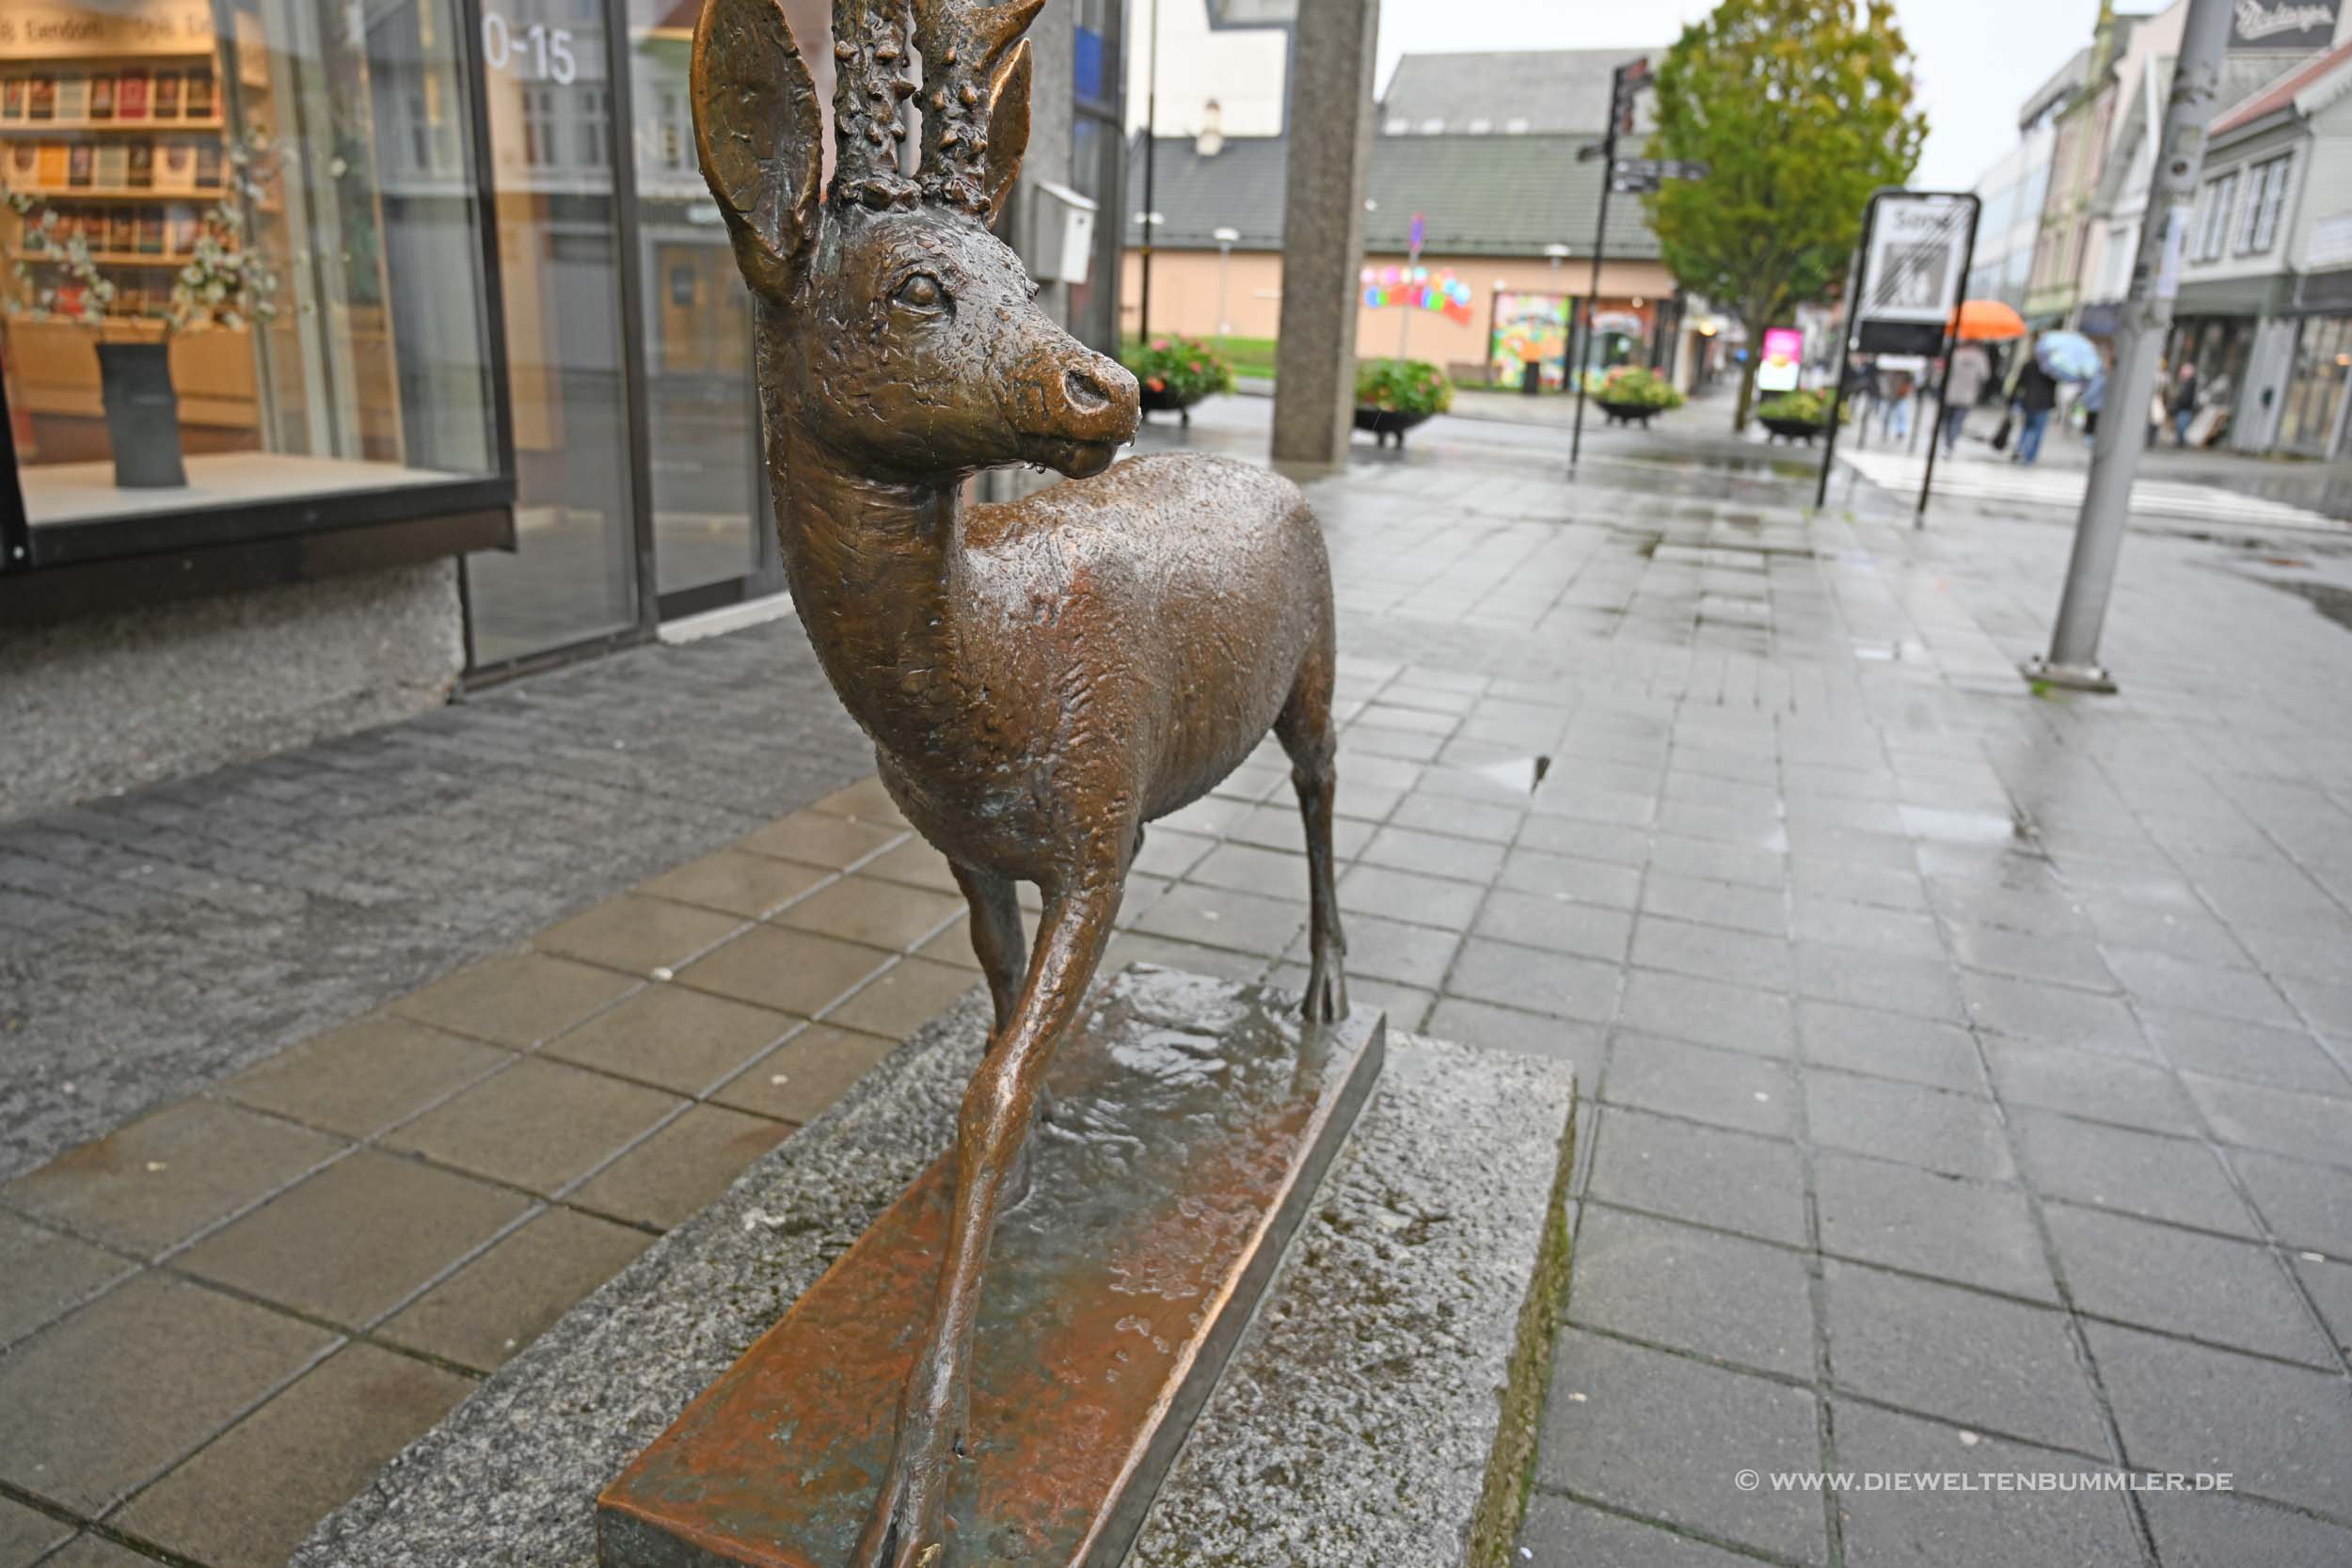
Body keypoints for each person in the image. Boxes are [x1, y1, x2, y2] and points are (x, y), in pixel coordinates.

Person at [1941, 341, 1991, 454]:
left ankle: (1947, 442)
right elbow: (1985, 375)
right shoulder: (1980, 357)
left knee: (1949, 420)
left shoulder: (1956, 354)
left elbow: (1945, 371)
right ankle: (1950, 444)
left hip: (1951, 392)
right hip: (1968, 394)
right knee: (1957, 421)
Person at [2013, 356, 2059, 466]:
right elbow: (2054, 385)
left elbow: (2020, 383)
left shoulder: (2029, 365)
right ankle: (2030, 457)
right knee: (2038, 431)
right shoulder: (2051, 368)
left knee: (2027, 428)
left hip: (2029, 401)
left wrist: (2013, 400)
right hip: (2043, 403)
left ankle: (2020, 449)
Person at [2170, 360, 2200, 447]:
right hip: (2182, 408)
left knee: (2181, 426)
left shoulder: (2191, 383)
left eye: (2184, 371)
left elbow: (2187, 397)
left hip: (2186, 408)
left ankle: (2181, 442)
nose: (2182, 373)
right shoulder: (2185, 383)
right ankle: (2180, 441)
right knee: (2180, 425)